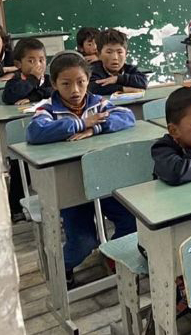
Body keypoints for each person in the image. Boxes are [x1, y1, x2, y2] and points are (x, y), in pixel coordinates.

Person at [26, 51, 137, 286]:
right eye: (66, 84)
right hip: (69, 186)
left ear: (88, 80)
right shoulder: (48, 108)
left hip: (103, 181)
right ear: (54, 83)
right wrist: (79, 123)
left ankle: (111, 257)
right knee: (84, 241)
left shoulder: (97, 102)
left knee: (132, 221)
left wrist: (95, 128)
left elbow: (127, 117)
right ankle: (62, 267)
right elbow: (35, 132)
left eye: (81, 82)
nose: (75, 90)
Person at [89, 29, 148, 95]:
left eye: (119, 52)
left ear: (126, 55)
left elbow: (143, 82)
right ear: (99, 54)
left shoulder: (129, 69)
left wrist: (118, 79)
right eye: (109, 52)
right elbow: (92, 88)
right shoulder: (92, 70)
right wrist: (123, 89)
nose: (115, 57)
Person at [3, 37, 51, 105]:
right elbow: (8, 97)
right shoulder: (15, 81)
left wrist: (33, 97)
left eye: (41, 60)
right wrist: (32, 79)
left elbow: (55, 91)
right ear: (18, 64)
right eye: (31, 61)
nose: (38, 65)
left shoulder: (48, 80)